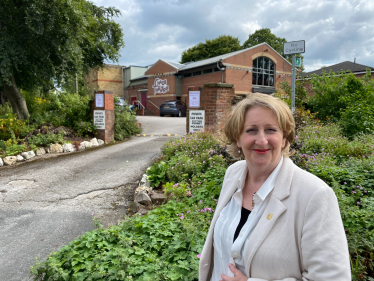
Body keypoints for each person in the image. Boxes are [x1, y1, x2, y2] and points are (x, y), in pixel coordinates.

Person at [199, 93, 351, 281]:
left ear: (284, 138)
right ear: (237, 138)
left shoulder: (314, 195)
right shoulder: (234, 174)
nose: (262, 140)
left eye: (271, 130)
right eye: (251, 130)